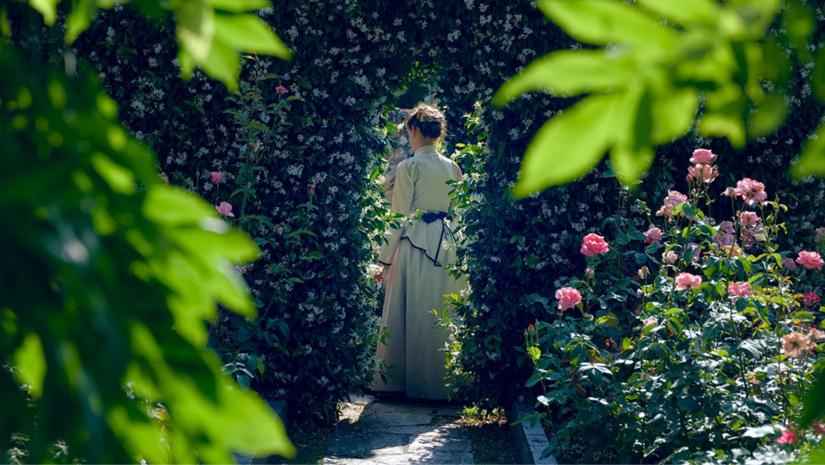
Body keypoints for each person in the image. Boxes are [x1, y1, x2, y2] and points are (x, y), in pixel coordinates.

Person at [373, 103, 465, 400]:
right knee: (440, 311)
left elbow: (398, 216)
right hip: (446, 245)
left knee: (411, 312)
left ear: (413, 130)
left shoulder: (409, 167)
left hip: (415, 244)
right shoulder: (452, 167)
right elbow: (460, 211)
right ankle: (442, 385)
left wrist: (384, 258)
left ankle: (401, 384)